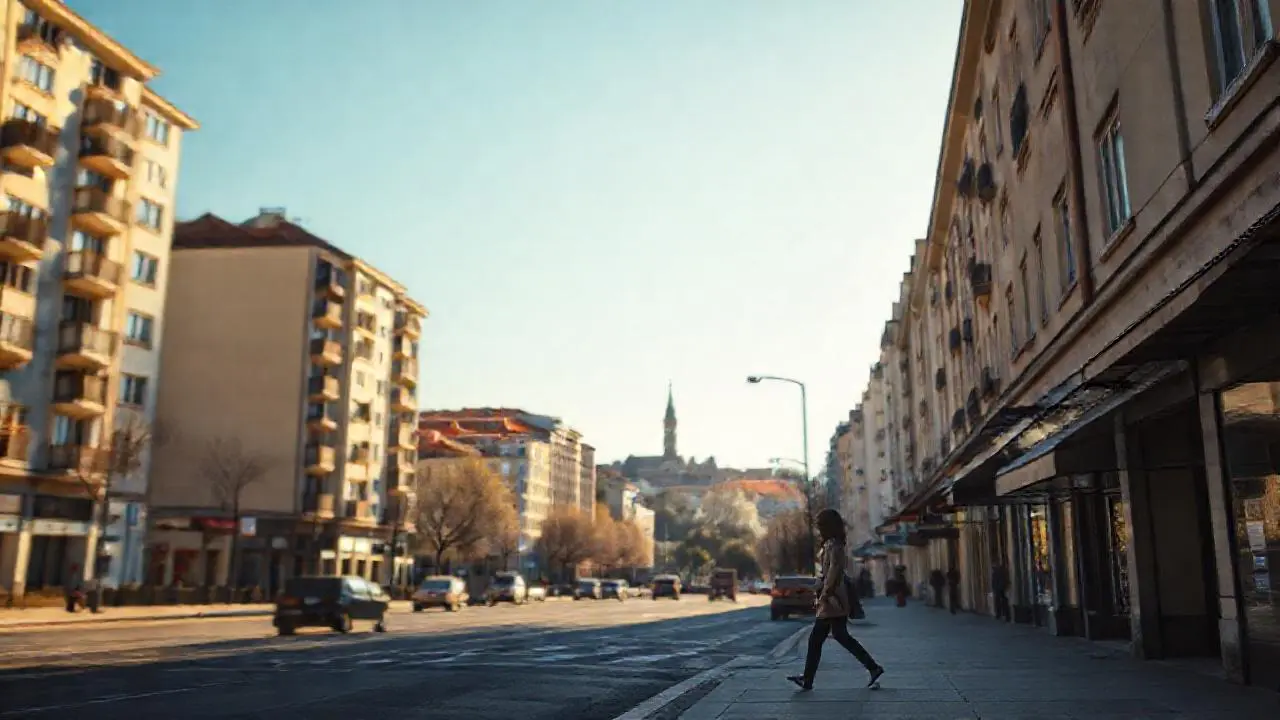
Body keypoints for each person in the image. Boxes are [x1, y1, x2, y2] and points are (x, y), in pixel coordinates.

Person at [787, 508, 884, 691]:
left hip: (834, 598)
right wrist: (815, 587)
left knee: (819, 638)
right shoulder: (831, 544)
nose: (817, 529)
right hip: (833, 596)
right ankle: (873, 668)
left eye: (820, 525)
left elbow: (834, 572)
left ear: (827, 526)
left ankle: (808, 679)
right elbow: (827, 573)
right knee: (838, 636)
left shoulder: (835, 546)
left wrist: (825, 594)